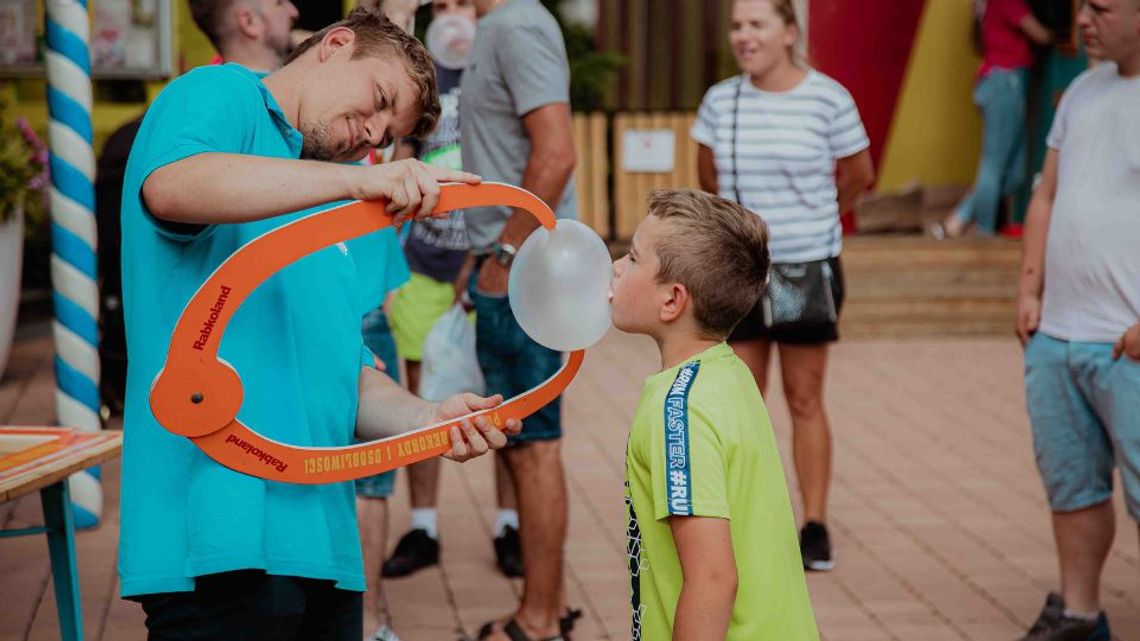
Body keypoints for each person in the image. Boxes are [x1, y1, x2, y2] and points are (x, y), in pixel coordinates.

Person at [117, 9, 521, 640]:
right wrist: (355, 184)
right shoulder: (221, 94)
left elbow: (347, 375)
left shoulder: (325, 214)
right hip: (221, 539)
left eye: (385, 136)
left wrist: (430, 420)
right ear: (336, 45)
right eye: (378, 100)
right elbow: (171, 186)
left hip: (326, 550)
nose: (370, 137)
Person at [690, 0, 874, 572]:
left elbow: (860, 176)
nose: (744, 37)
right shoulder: (722, 100)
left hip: (807, 268)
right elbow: (708, 176)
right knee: (742, 400)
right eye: (737, 26)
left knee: (803, 399)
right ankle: (745, 522)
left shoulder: (829, 98)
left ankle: (814, 524)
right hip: (742, 271)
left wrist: (816, 221)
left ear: (789, 32)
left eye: (757, 25)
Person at [610, 189, 818, 641]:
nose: (615, 266)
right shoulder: (728, 372)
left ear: (672, 301)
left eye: (631, 257)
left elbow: (712, 581)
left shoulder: (678, 413)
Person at [94, 0, 300, 415]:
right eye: (279, 2)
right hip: (223, 382)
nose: (293, 10)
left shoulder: (269, 107)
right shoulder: (218, 95)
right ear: (248, 21)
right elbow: (170, 193)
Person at [381, 0, 525, 583]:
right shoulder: (420, 73)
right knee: (419, 393)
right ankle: (423, 526)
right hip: (424, 263)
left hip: (491, 262)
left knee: (504, 397)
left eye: (463, 3)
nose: (454, 15)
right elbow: (399, 155)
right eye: (442, 5)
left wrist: (492, 256)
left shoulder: (501, 61)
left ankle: (510, 526)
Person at [1014, 1, 1140, 639]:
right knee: (1073, 489)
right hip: (1057, 336)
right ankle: (1082, 615)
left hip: (1132, 346)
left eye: (1101, 7)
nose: (1082, 20)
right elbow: (1046, 195)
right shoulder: (1082, 92)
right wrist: (1030, 288)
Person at [459, 1, 579, 639]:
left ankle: (539, 618)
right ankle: (545, 608)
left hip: (525, 266)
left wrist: (504, 254)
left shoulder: (517, 24)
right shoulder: (499, 26)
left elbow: (557, 154)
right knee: (521, 444)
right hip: (506, 260)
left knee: (534, 450)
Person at [935, 0, 1052, 238]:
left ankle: (959, 219)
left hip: (1002, 81)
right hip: (1003, 82)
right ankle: (983, 232)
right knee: (993, 165)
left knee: (1015, 172)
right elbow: (1040, 34)